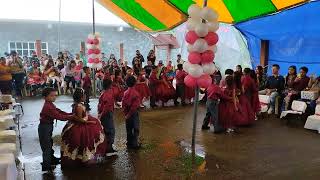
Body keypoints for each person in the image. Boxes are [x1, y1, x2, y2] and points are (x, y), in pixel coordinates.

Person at [39, 87, 86, 171]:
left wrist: (70, 114)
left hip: (48, 126)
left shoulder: (50, 104)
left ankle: (52, 159)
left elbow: (59, 112)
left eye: (55, 95)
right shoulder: (48, 106)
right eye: (51, 96)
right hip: (44, 127)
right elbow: (59, 116)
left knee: (49, 143)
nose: (54, 97)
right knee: (46, 146)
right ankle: (46, 166)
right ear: (45, 97)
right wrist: (72, 116)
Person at [61, 88, 107, 167]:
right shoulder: (79, 106)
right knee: (85, 141)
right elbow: (79, 120)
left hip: (83, 122)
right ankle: (84, 158)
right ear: (81, 97)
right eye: (84, 95)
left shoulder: (79, 104)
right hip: (81, 126)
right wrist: (89, 122)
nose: (86, 96)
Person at [122, 76, 141, 149]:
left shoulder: (125, 93)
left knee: (128, 129)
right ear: (135, 83)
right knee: (135, 128)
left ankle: (129, 142)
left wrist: (126, 114)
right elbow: (134, 106)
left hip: (127, 113)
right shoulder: (136, 93)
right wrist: (129, 114)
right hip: (133, 113)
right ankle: (135, 144)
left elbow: (123, 104)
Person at [98, 79, 117, 154]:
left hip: (104, 113)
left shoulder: (104, 93)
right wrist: (101, 114)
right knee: (110, 130)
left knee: (106, 130)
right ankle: (108, 147)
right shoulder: (108, 93)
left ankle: (106, 146)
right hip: (107, 114)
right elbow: (106, 106)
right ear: (109, 85)